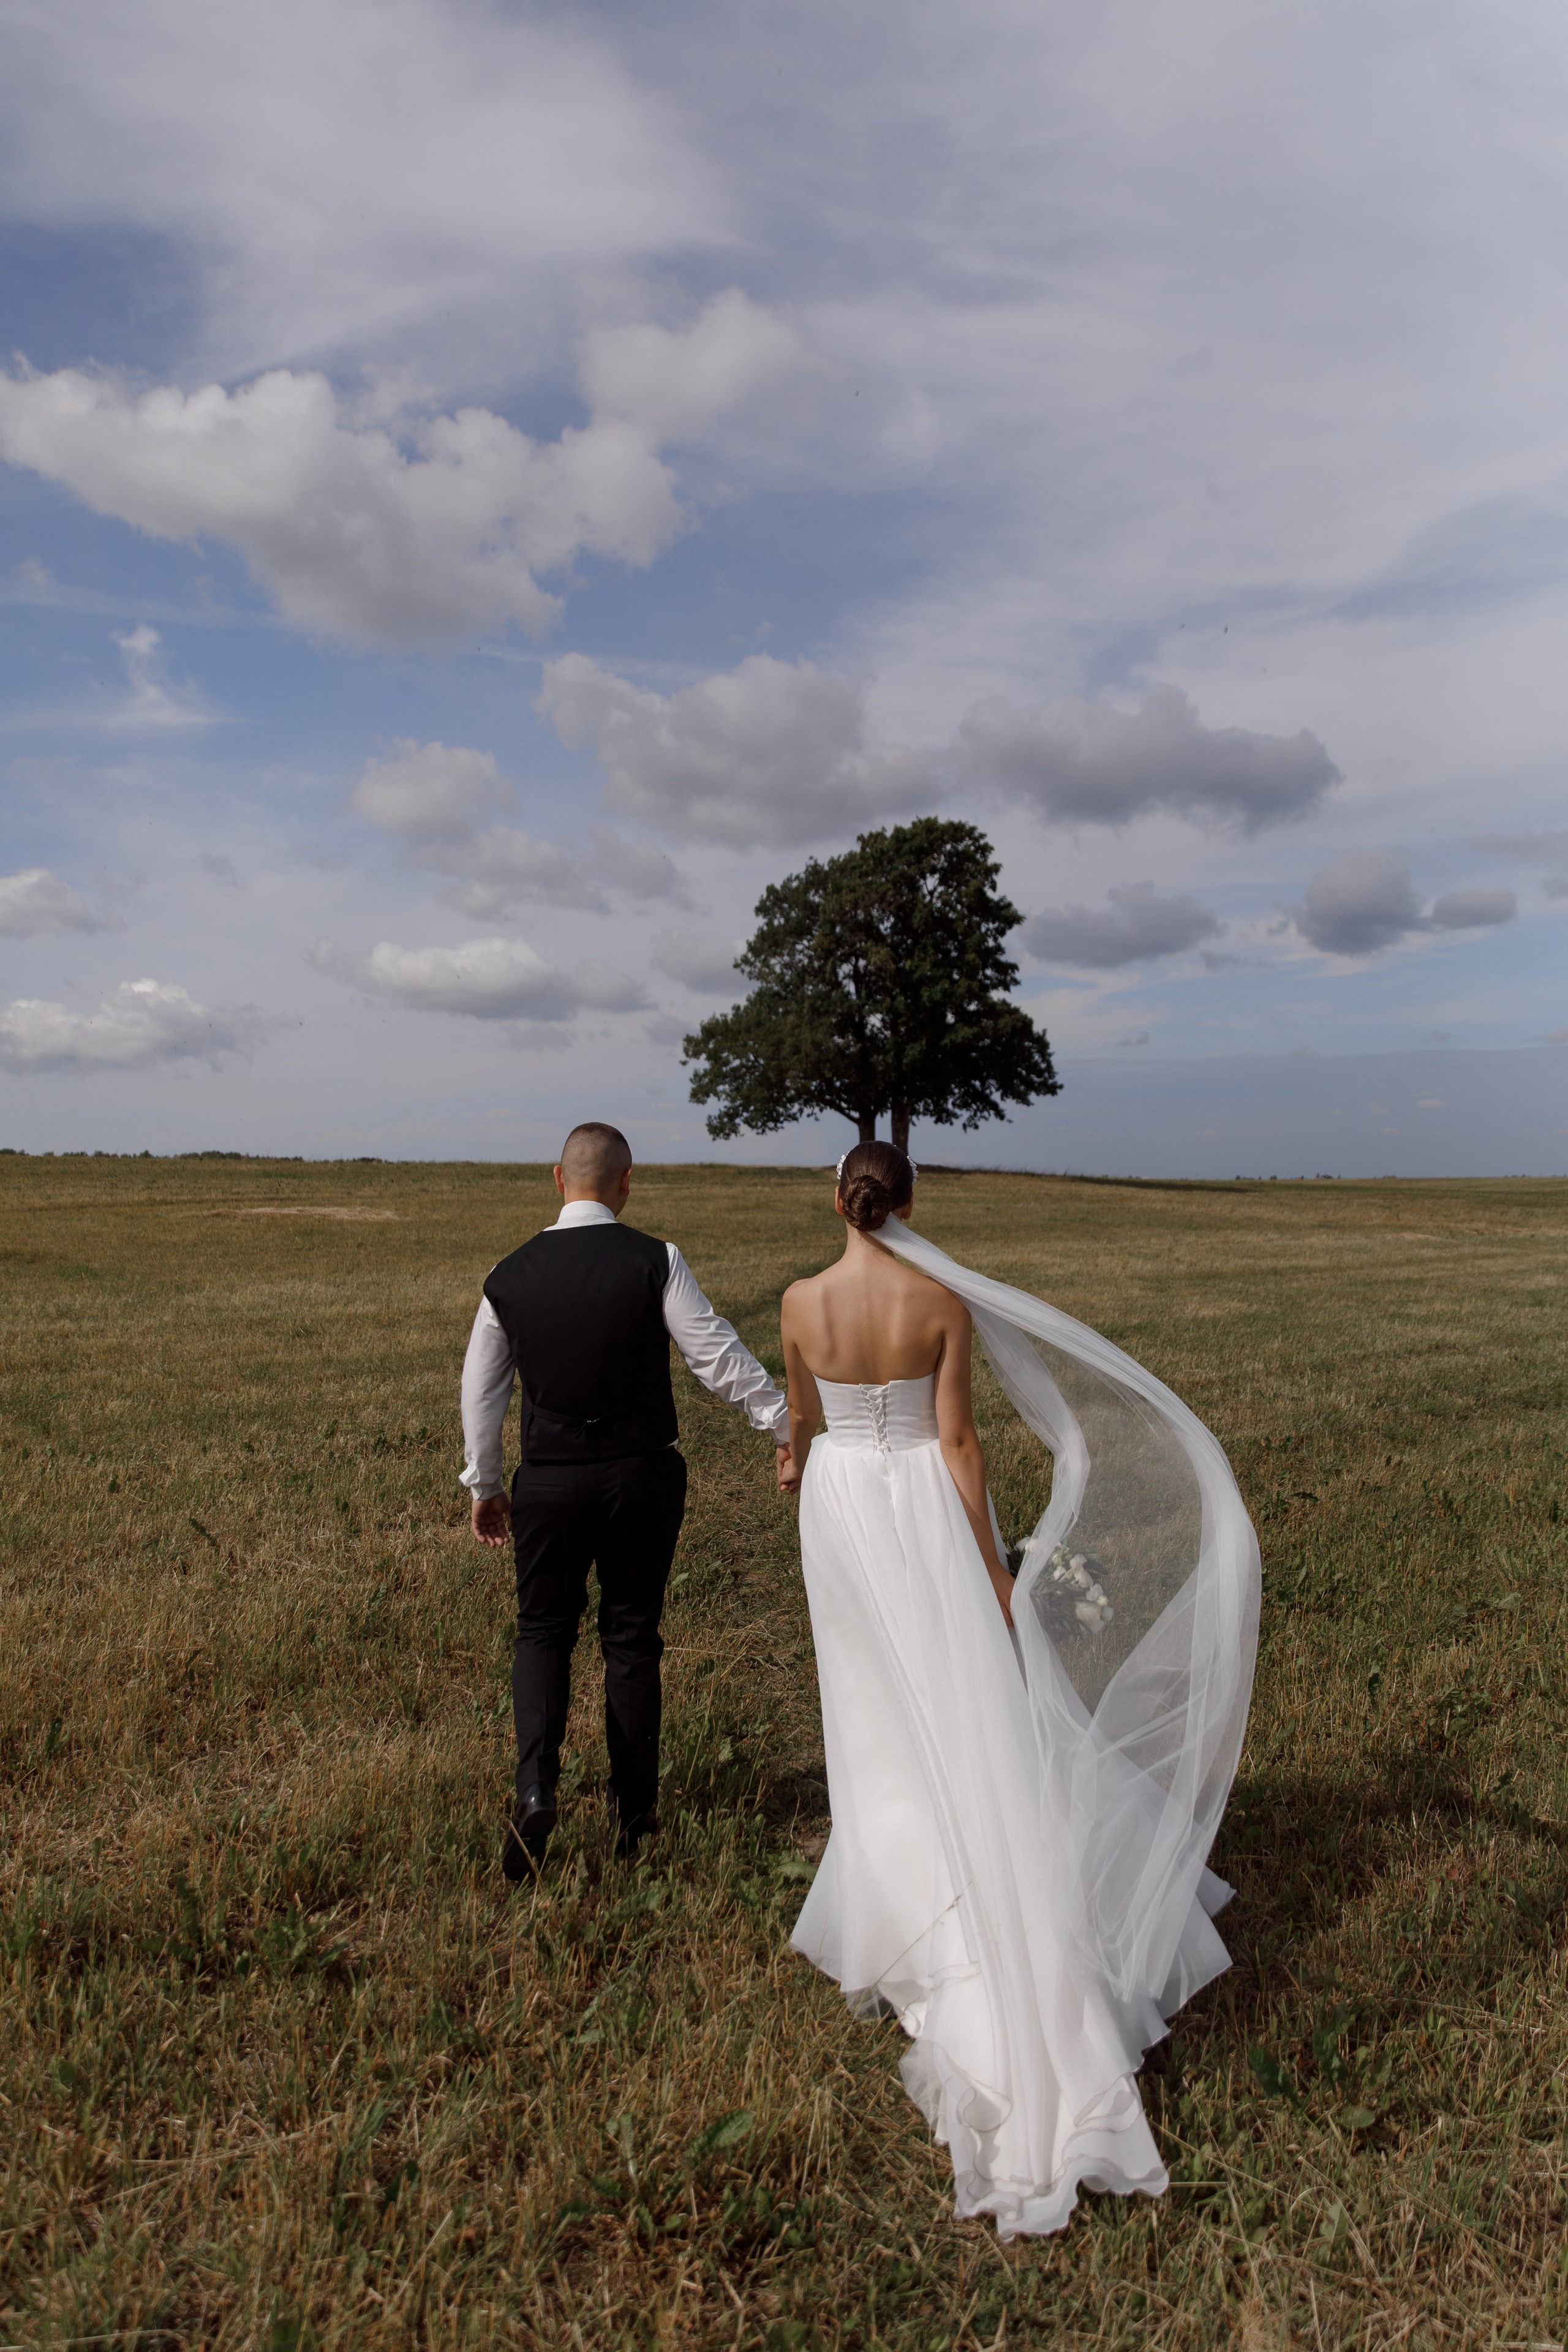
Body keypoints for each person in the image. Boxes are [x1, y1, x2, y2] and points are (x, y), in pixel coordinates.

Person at [778, 1140, 1261, 2239]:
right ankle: (968, 1891)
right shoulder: (938, 1300)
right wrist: (994, 1568)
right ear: (907, 1202)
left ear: (838, 1199)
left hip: (840, 1508)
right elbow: (956, 1439)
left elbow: (802, 1419)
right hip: (917, 1509)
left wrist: (798, 1460)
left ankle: (910, 1896)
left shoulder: (801, 1301)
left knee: (876, 1709)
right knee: (963, 1698)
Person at [461, 1122, 790, 1878]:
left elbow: (481, 1393)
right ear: (626, 1182)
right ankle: (633, 1815)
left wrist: (484, 1484)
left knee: (543, 1632)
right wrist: (779, 1421)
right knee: (632, 1638)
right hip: (641, 1476)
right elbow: (714, 1355)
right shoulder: (655, 1260)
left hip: (547, 1482)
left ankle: (537, 1786)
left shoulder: (507, 1275)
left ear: (557, 1178)